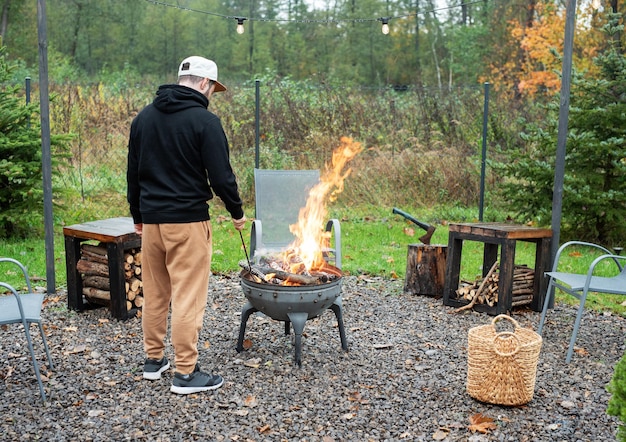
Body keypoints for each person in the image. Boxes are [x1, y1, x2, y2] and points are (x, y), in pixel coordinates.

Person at [127, 56, 245, 394]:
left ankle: (153, 360)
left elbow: (133, 173)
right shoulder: (205, 122)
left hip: (151, 224)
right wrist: (236, 211)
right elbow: (221, 177)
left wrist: (137, 216)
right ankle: (186, 373)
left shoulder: (143, 119)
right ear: (206, 84)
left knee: (155, 293)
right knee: (188, 298)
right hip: (188, 223)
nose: (212, 95)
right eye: (213, 89)